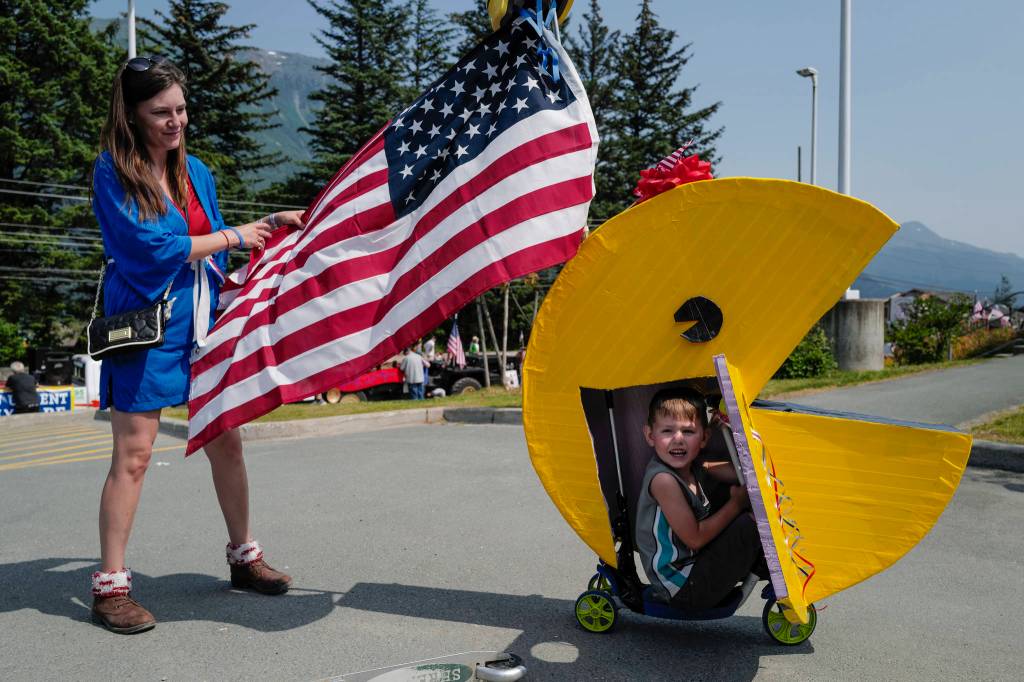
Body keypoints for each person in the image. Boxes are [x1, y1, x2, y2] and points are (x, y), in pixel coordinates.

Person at [89, 56, 303, 634]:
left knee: (227, 441)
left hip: (201, 327)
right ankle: (110, 587)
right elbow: (150, 248)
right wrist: (234, 234)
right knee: (134, 454)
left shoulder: (196, 173)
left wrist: (265, 224)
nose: (174, 121)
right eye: (160, 112)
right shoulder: (113, 172)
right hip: (144, 328)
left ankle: (244, 557)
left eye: (180, 109)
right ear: (131, 115)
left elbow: (207, 245)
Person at [635, 387, 766, 610]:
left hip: (695, 569)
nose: (677, 440)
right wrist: (736, 504)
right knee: (748, 524)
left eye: (688, 432)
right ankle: (765, 566)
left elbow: (741, 473)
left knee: (736, 491)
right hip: (684, 588)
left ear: (704, 437)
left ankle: (761, 564)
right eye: (667, 431)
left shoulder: (694, 467)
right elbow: (694, 539)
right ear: (650, 435)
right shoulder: (663, 481)